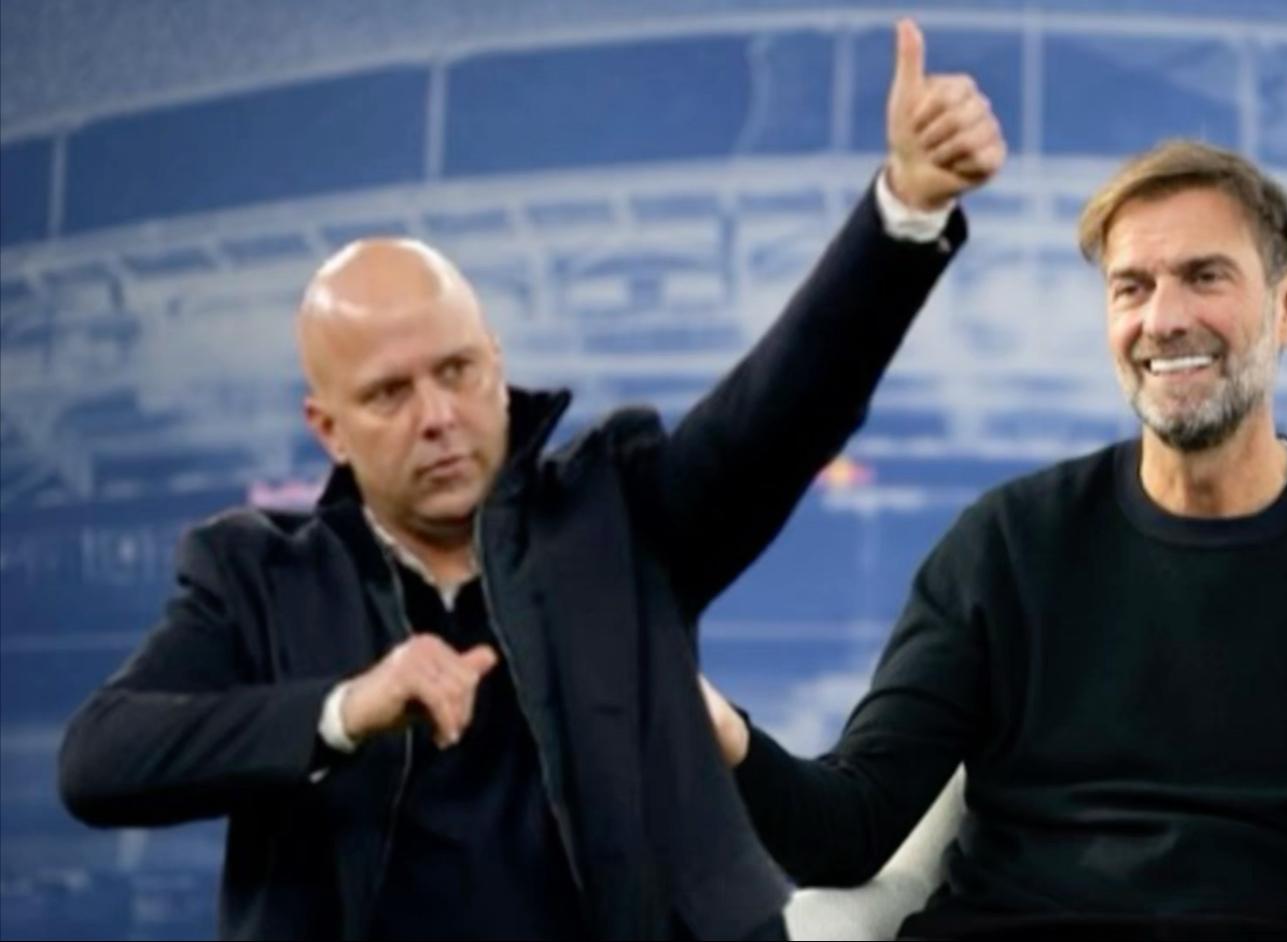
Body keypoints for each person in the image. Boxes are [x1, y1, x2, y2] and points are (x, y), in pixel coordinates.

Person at [57, 20, 1004, 941]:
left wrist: (904, 212)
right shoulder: (256, 576)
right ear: (327, 428)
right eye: (389, 394)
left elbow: (779, 413)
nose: (437, 415)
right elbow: (100, 759)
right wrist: (346, 711)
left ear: (497, 365)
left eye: (457, 371)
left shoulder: (618, 513)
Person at [702, 139, 1287, 940]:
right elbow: (851, 830)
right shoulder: (1005, 544)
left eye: (1205, 277)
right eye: (1132, 287)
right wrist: (718, 731)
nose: (1163, 318)